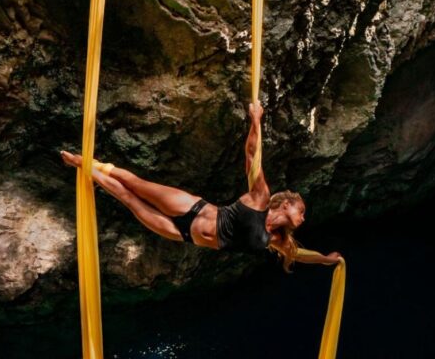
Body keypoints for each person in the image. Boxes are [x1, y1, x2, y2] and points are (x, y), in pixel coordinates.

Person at [61, 103, 342, 271]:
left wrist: (327, 260)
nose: (303, 217)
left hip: (183, 234)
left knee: (128, 199)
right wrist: (256, 120)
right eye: (301, 210)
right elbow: (251, 155)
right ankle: (88, 162)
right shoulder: (261, 197)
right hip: (193, 209)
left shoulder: (279, 240)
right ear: (285, 204)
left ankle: (84, 168)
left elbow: (300, 255)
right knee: (135, 183)